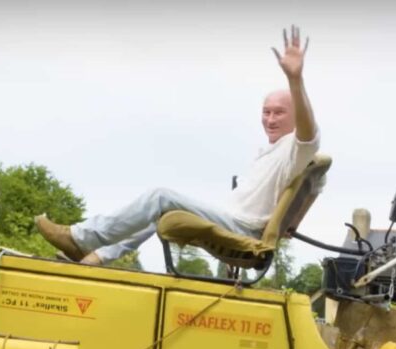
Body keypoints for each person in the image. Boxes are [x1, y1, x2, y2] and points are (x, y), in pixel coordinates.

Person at [35, 25, 319, 265]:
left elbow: (307, 133)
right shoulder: (270, 152)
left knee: (160, 196)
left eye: (279, 112)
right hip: (232, 220)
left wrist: (295, 79)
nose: (269, 119)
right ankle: (94, 257)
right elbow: (304, 198)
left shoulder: (294, 149)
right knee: (158, 209)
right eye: (266, 111)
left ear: (295, 113)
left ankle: (80, 237)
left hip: (242, 230)